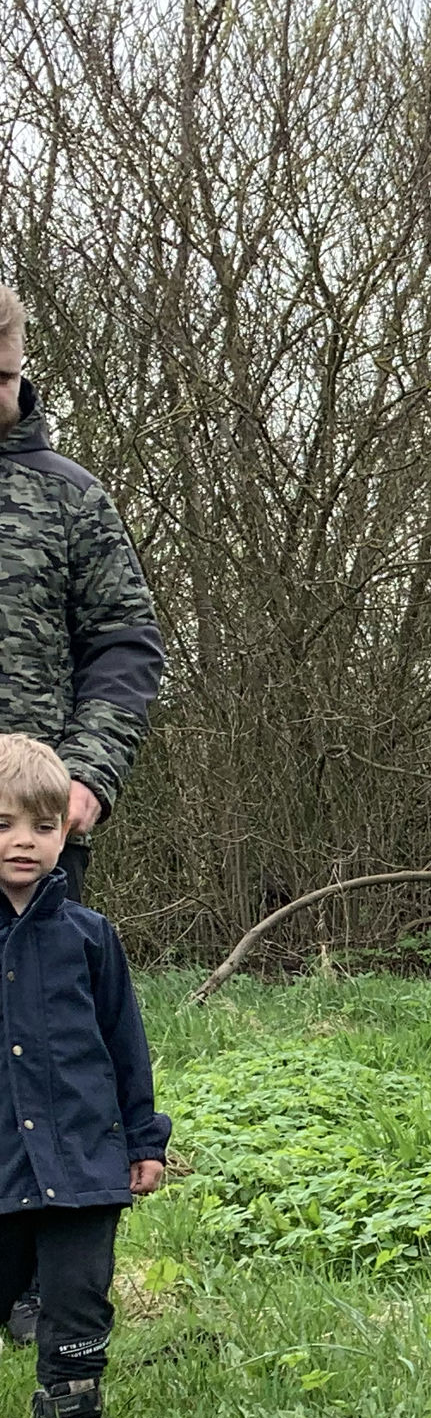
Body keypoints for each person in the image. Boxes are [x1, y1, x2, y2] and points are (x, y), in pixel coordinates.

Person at [0, 286, 168, 1353]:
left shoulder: (69, 497)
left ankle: (40, 1288)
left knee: (47, 1045)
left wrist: (86, 777)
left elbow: (124, 645)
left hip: (30, 826)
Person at [0, 734, 169, 1418]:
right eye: (4, 824)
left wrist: (144, 1139)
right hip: (3, 1157)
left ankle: (73, 1407)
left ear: (64, 833)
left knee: (78, 1292)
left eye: (43, 826)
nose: (24, 841)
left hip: (82, 1156)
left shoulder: (91, 937)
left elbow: (125, 1045)